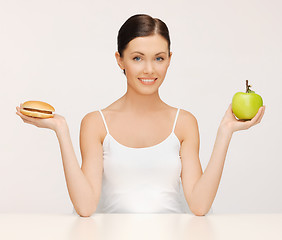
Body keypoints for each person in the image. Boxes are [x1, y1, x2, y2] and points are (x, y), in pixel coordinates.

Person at [16, 14, 265, 217]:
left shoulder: (184, 123)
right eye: (137, 58)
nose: (149, 69)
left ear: (169, 60)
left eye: (159, 58)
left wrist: (225, 132)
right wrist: (61, 129)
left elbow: (199, 206)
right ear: (120, 60)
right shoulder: (95, 123)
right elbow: (85, 207)